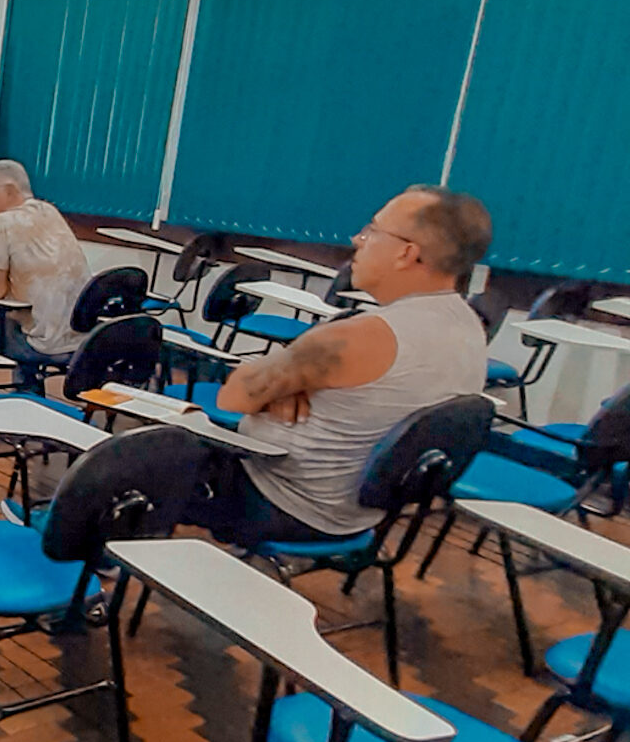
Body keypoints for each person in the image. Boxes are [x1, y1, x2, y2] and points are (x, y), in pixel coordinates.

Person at [186, 185, 493, 548]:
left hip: (275, 502)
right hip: (359, 516)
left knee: (133, 463)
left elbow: (233, 397)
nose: (357, 239)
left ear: (407, 253)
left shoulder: (360, 337)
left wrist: (283, 388)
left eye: (373, 231)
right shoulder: (468, 327)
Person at [0, 160, 90, 396]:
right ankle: (29, 390)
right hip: (79, 340)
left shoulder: (4, 221)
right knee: (21, 318)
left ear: (10, 191)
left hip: (41, 343)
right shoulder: (49, 211)